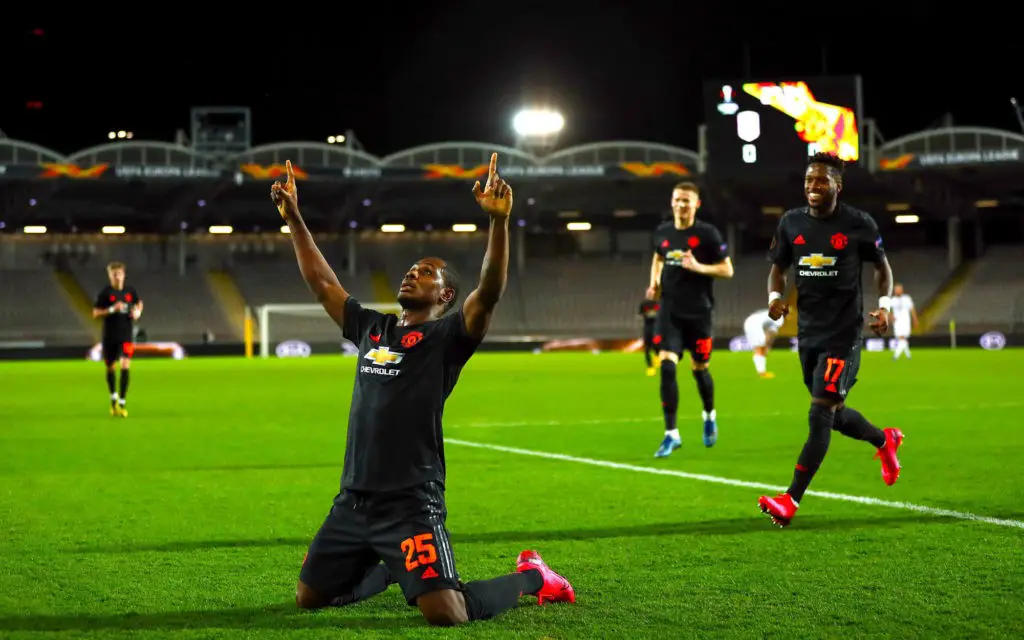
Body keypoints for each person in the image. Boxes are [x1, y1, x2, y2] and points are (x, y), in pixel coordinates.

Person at [270, 155, 574, 627]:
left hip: (410, 502)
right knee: (310, 598)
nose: (412, 273)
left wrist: (498, 222)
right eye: (411, 269)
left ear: (445, 295)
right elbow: (323, 283)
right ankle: (395, 570)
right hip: (354, 498)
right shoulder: (372, 328)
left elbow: (489, 292)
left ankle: (534, 577)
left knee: (447, 614)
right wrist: (294, 219)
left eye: (426, 272)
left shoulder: (448, 337)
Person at [757, 152, 904, 527]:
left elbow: (882, 268)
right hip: (809, 334)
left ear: (838, 185)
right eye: (809, 180)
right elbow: (778, 269)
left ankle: (790, 499)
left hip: (844, 333)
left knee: (820, 411)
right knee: (833, 416)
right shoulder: (791, 222)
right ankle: (884, 440)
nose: (813, 186)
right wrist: (774, 299)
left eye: (821, 180)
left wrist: (884, 307)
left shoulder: (858, 223)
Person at [646, 182, 734, 457]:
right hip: (669, 311)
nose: (681, 204)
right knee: (667, 367)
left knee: (700, 369)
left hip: (699, 313)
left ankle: (709, 415)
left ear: (696, 204)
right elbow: (658, 257)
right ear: (671, 202)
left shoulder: (708, 234)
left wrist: (698, 267)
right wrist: (654, 283)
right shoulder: (663, 232)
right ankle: (671, 434)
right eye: (677, 199)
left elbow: (727, 270)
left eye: (686, 200)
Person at [92, 262, 142, 417]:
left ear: (124, 275)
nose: (117, 277)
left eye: (119, 274)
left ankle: (122, 402)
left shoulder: (130, 291)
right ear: (109, 276)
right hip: (110, 335)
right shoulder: (105, 293)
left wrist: (138, 312)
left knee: (126, 365)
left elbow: (139, 302)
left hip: (126, 335)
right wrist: (112, 309)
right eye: (114, 274)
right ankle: (113, 398)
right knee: (110, 367)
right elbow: (95, 313)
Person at [742, 308, 784, 378]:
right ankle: (762, 373)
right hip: (754, 324)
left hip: (749, 322)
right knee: (760, 349)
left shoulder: (770, 312)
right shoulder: (780, 318)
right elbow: (771, 333)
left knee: (760, 348)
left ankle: (762, 372)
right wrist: (768, 347)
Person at [889, 283, 918, 360]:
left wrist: (915, 320)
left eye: (899, 289)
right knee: (901, 338)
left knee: (903, 339)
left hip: (906, 322)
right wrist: (891, 316)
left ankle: (903, 356)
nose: (897, 291)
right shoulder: (892, 300)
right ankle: (897, 356)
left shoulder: (907, 298)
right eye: (896, 290)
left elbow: (912, 309)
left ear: (902, 290)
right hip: (897, 322)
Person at [638, 298, 660, 375]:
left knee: (657, 345)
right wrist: (647, 314)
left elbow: (661, 313)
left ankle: (657, 356)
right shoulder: (643, 304)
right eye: (649, 292)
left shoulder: (658, 303)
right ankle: (650, 368)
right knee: (646, 349)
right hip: (647, 328)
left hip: (656, 329)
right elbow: (640, 313)